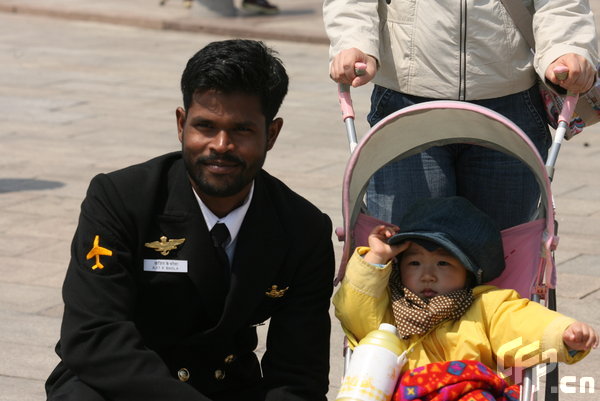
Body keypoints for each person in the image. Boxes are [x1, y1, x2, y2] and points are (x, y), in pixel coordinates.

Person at [45, 39, 335, 401]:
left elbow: (297, 375)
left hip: (225, 385)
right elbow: (94, 335)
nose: (221, 145)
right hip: (115, 384)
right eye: (206, 126)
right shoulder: (120, 199)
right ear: (182, 124)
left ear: (271, 134)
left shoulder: (303, 229)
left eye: (242, 130)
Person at [323, 0, 599, 230]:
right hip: (405, 101)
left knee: (505, 263)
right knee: (405, 254)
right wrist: (353, 42)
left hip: (510, 100)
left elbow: (562, 4)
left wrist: (568, 48)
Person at [334, 197, 598, 396]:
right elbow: (353, 310)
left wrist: (564, 333)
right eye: (414, 264)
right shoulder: (388, 307)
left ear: (469, 272)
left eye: (443, 264)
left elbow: (524, 323)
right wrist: (377, 257)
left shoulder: (486, 306)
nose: (428, 275)